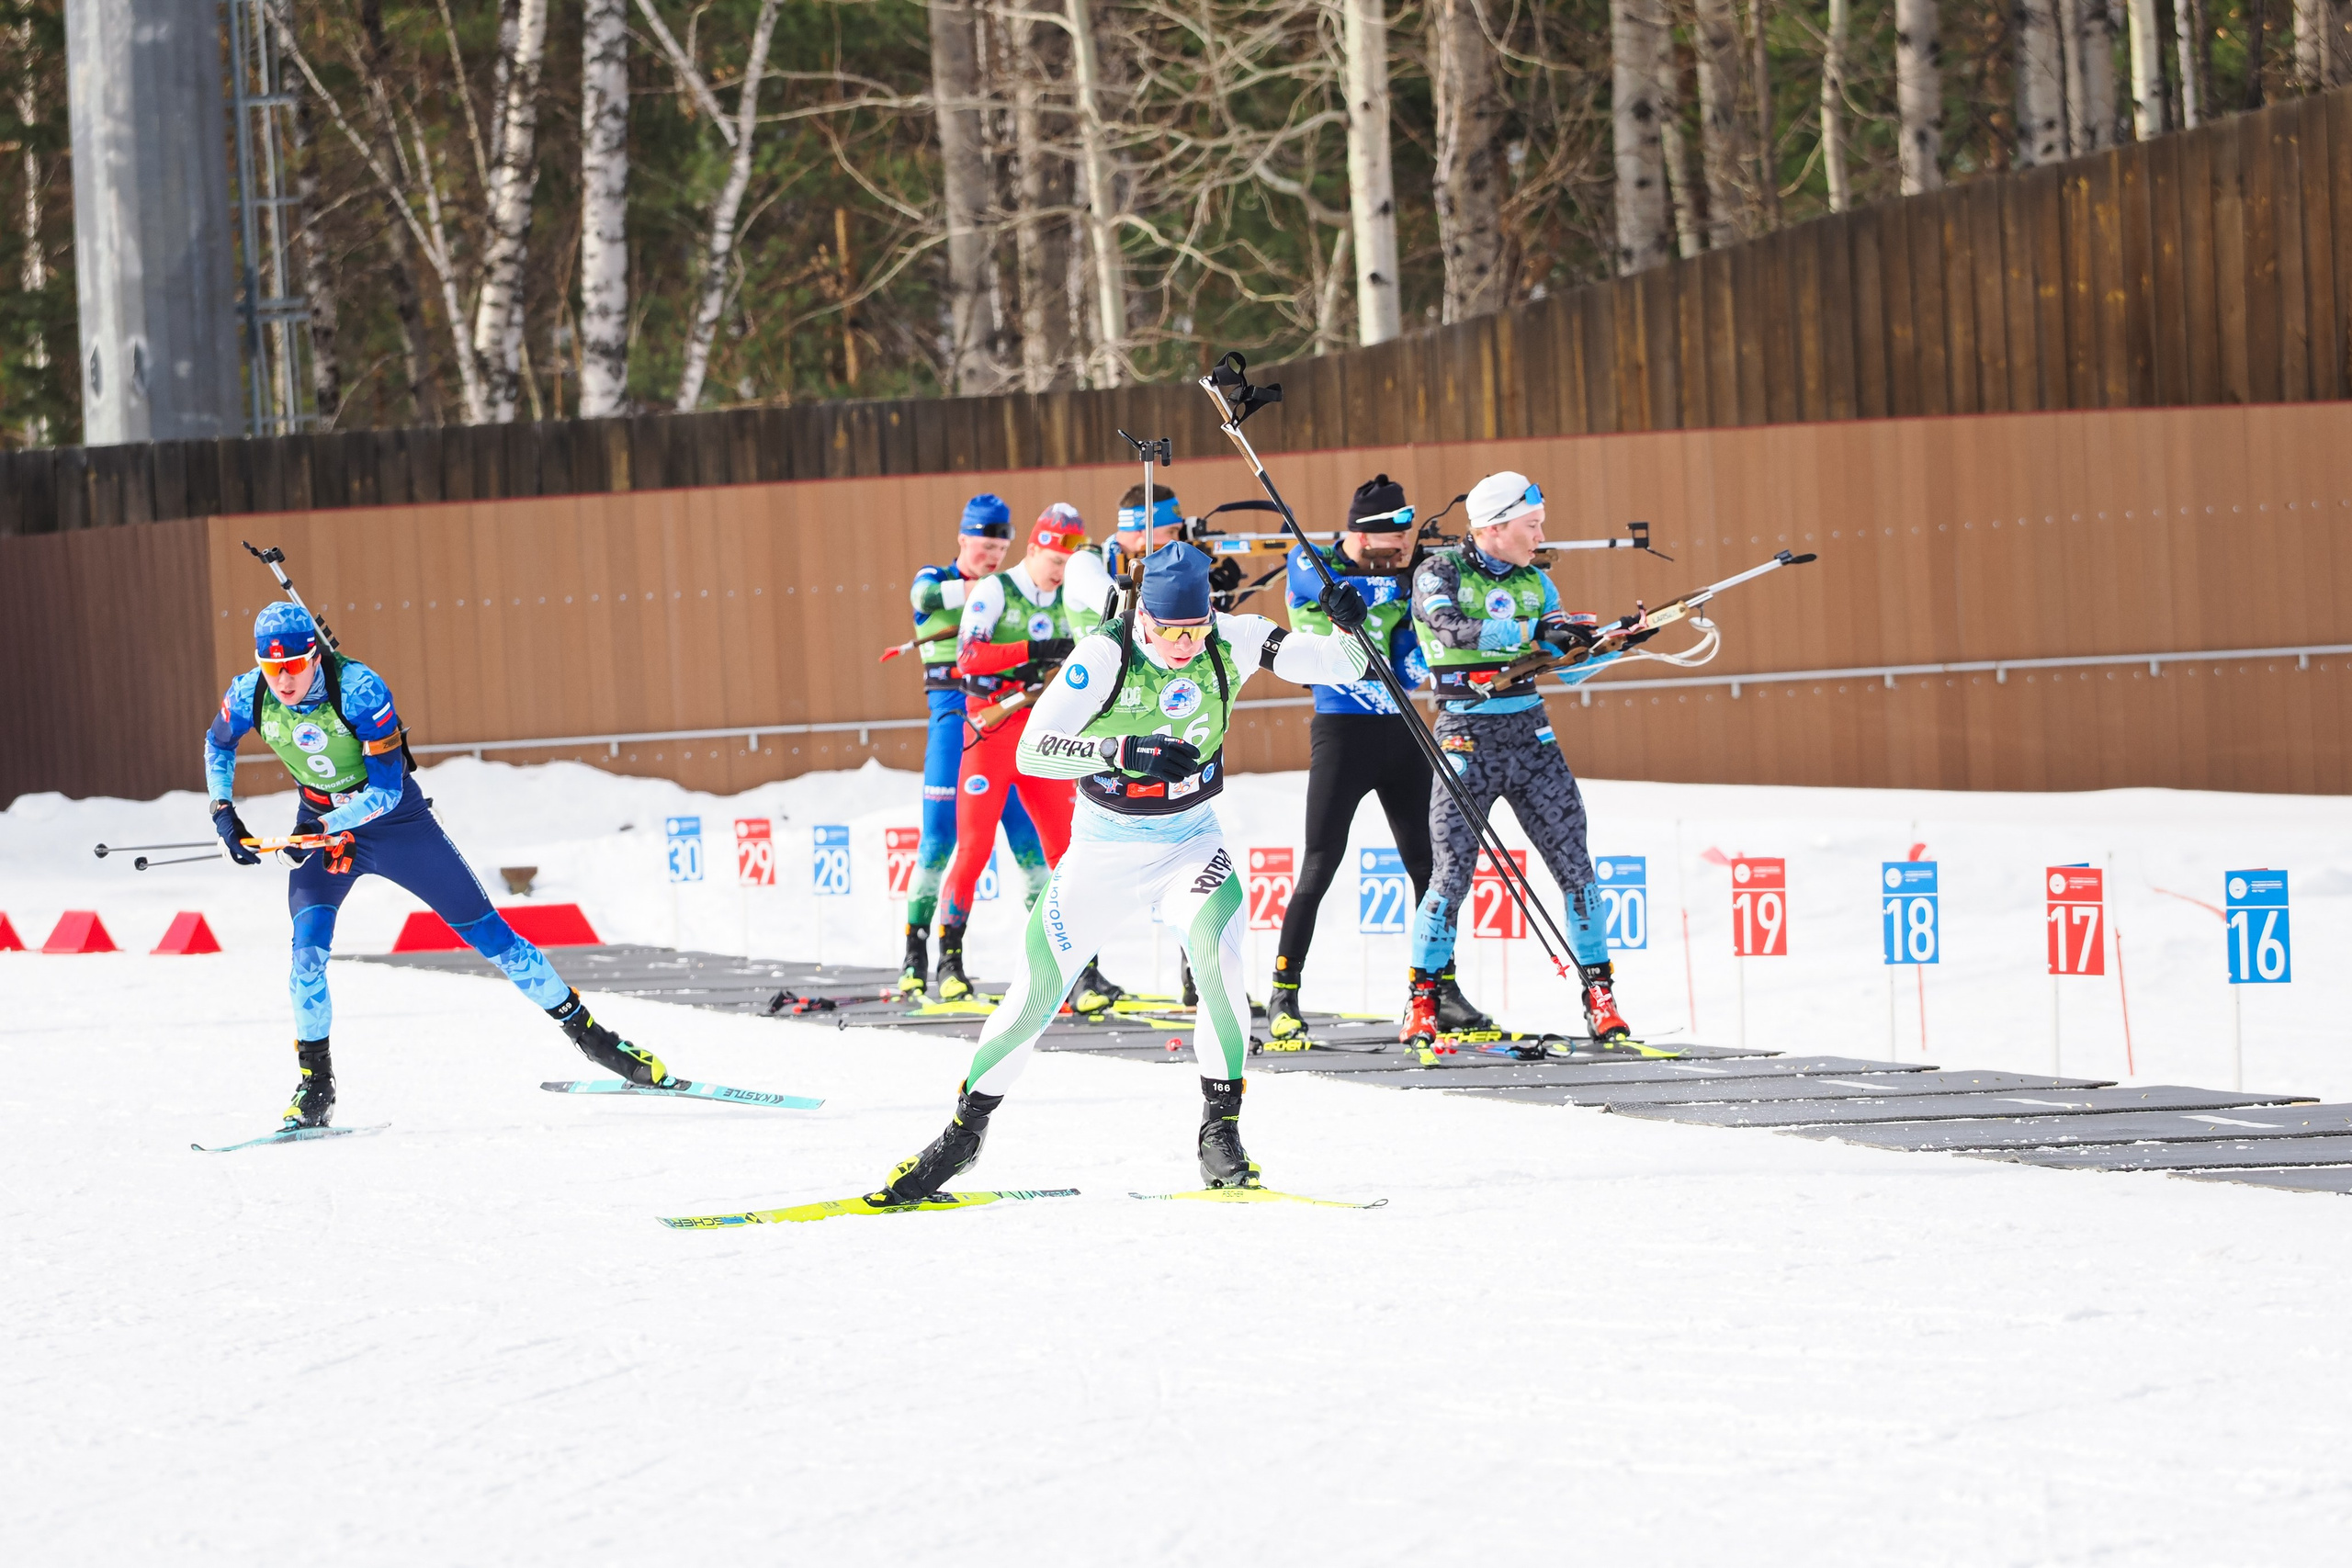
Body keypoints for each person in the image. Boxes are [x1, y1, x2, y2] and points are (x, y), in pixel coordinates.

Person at [871, 541, 1376, 1203]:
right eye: (1168, 630)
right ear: (1143, 616)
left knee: (1218, 963)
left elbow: (1347, 666)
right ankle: (963, 1135)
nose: (1183, 644)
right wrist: (1117, 747)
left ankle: (1219, 1134)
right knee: (1033, 996)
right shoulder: (1106, 653)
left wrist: (1348, 620)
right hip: (1103, 847)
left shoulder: (1236, 636)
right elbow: (1033, 750)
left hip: (1189, 840)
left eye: (1195, 629)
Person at [204, 603, 670, 1129]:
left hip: (395, 824)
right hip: (321, 820)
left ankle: (592, 1038)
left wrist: (324, 829)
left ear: (314, 655)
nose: (283, 680)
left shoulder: (359, 689)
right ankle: (316, 1084)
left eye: (292, 666)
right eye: (272, 668)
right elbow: (217, 744)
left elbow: (385, 790)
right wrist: (224, 813)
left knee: (493, 937)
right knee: (306, 956)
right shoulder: (251, 693)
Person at [1402, 469, 1654, 1049]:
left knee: (1575, 866)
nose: (1541, 535)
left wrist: (1613, 643)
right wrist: (1533, 631)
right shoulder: (1439, 572)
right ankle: (1422, 1001)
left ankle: (1600, 998)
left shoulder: (1538, 584)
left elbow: (1562, 664)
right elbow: (1452, 629)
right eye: (1532, 525)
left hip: (1530, 736)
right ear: (1493, 526)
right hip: (1464, 736)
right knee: (1450, 875)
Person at [935, 503, 1123, 1015]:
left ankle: (1082, 972)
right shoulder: (997, 589)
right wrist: (1039, 648)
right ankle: (948, 962)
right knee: (973, 848)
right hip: (992, 732)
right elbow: (968, 657)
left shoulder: (1072, 595)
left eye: (1068, 566)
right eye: (1053, 563)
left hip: (1044, 737)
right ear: (1034, 548)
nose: (1061, 575)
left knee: (1067, 853)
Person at [1265, 474, 1434, 1042]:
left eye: (1409, 542)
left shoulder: (1404, 575)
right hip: (1342, 731)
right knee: (1320, 864)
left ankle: (1437, 991)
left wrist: (1420, 638)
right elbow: (1319, 583)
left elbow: (1411, 657)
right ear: (1362, 537)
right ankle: (1283, 995)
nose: (1403, 552)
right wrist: (1382, 591)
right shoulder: (1311, 562)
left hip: (1402, 728)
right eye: (1394, 543)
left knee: (1428, 869)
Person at [900, 495, 1051, 995]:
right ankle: (915, 956)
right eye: (984, 546)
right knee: (941, 839)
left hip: (1004, 715)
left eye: (1001, 547)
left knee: (1031, 842)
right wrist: (984, 590)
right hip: (953, 715)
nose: (993, 556)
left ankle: (1057, 964)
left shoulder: (1006, 590)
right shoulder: (947, 578)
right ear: (963, 539)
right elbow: (923, 597)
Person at [1063, 482, 1184, 635]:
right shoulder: (1083, 562)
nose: (1176, 541)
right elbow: (1122, 612)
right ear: (1143, 528)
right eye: (1171, 532)